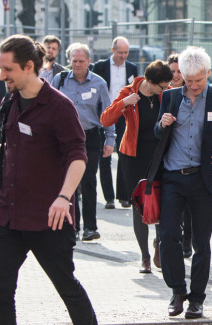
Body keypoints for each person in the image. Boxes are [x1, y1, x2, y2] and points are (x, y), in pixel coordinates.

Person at [0, 34, 103, 325]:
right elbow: (17, 146)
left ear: (29, 67)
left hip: (49, 217)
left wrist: (63, 197)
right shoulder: (12, 100)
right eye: (0, 69)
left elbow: (78, 156)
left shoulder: (59, 106)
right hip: (8, 215)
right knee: (0, 292)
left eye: (8, 69)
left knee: (65, 285)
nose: (2, 76)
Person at [155, 47, 212, 319]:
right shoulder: (170, 97)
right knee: (168, 236)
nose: (193, 86)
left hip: (203, 180)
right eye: (188, 80)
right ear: (180, 75)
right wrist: (162, 124)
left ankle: (197, 298)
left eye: (198, 80)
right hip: (172, 177)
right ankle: (177, 290)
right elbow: (157, 132)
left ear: (208, 73)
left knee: (201, 242)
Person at [100, 60, 173, 273]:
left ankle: (159, 244)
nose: (166, 89)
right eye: (162, 85)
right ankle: (145, 257)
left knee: (161, 201)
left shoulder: (165, 95)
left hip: (159, 155)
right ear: (150, 82)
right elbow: (106, 119)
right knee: (139, 205)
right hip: (133, 156)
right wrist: (124, 103)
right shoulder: (129, 92)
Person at [52, 43, 115, 241]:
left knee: (88, 180)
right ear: (69, 61)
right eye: (74, 61)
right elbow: (49, 107)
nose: (78, 64)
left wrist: (110, 140)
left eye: (81, 61)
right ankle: (72, 226)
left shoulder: (99, 83)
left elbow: (107, 114)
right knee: (70, 182)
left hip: (90, 137)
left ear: (89, 61)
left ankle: (90, 227)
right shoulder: (60, 80)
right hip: (65, 138)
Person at [92, 36, 139, 209]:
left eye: (126, 53)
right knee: (104, 155)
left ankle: (124, 195)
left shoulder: (132, 68)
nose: (123, 56)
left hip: (124, 115)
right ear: (113, 51)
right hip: (105, 114)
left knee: (123, 154)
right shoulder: (100, 67)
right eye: (120, 52)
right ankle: (109, 197)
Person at [166, 52, 192, 261]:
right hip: (169, 164)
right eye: (172, 71)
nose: (176, 75)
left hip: (192, 165)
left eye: (179, 71)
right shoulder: (164, 95)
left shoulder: (194, 96)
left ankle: (187, 242)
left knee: (189, 210)